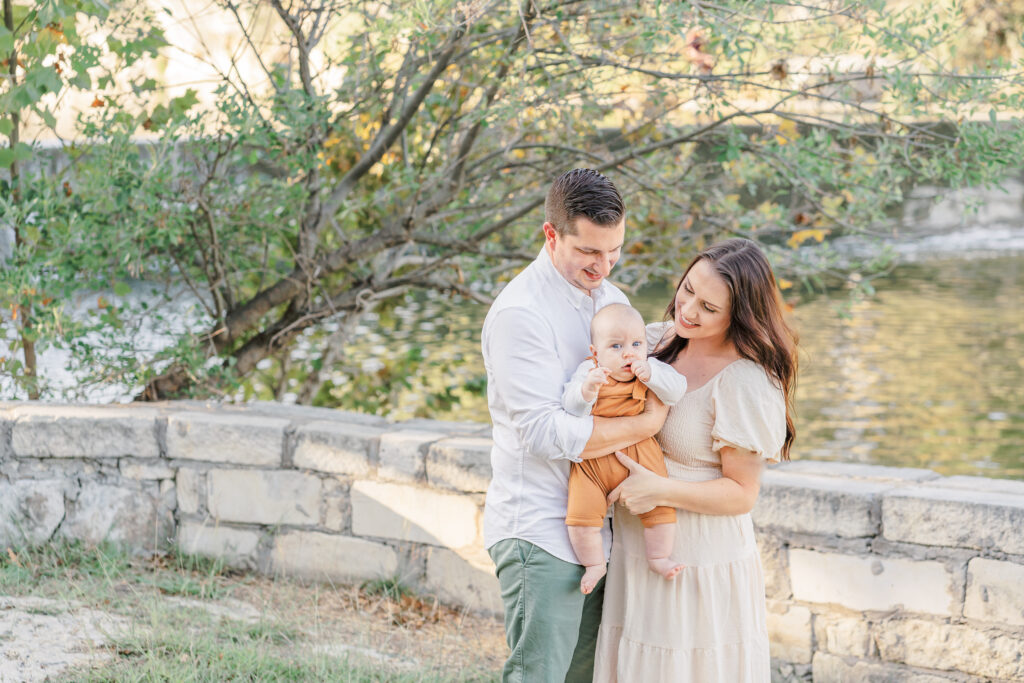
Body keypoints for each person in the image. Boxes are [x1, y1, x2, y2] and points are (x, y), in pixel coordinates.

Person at [481, 169, 669, 683]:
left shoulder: (611, 299)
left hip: (599, 532)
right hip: (540, 530)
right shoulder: (520, 314)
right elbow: (543, 436)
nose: (603, 265)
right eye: (589, 252)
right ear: (551, 234)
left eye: (614, 251)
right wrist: (648, 423)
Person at [593, 238, 798, 682]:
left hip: (697, 560)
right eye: (687, 290)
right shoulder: (650, 341)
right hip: (636, 551)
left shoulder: (745, 379)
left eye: (708, 307)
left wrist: (658, 489)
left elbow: (743, 494)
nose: (687, 309)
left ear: (739, 316)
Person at [561, 303, 687, 595]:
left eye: (636, 344)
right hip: (592, 466)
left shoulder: (652, 368)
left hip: (640, 455)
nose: (628, 353)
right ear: (595, 353)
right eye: (616, 346)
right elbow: (570, 406)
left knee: (661, 511)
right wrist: (586, 391)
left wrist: (651, 376)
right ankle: (594, 564)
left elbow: (677, 390)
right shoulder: (588, 372)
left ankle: (659, 558)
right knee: (580, 520)